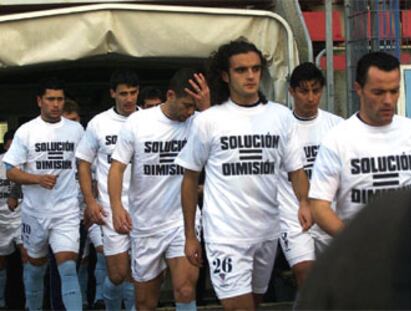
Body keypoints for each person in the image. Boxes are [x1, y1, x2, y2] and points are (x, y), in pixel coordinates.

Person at [175, 40, 310, 310]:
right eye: (241, 70)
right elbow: (189, 179)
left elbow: (296, 170)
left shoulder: (281, 117)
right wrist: (190, 234)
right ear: (225, 75)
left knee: (254, 302)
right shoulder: (208, 120)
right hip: (225, 235)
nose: (250, 76)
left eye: (256, 69)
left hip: (267, 231)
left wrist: (304, 203)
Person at [108, 68, 210, 310]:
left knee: (185, 289)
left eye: (193, 107)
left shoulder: (200, 122)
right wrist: (116, 206)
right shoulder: (138, 122)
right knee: (145, 302)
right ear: (170, 95)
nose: (189, 112)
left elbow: (225, 142)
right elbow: (117, 168)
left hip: (182, 222)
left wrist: (206, 109)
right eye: (186, 105)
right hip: (145, 224)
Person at [309, 51, 411, 237]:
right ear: (359, 89)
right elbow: (319, 206)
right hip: (362, 255)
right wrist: (353, 243)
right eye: (379, 92)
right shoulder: (338, 140)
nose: (388, 100)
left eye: (394, 91)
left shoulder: (410, 131)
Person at [2, 77, 84, 310]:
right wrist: (37, 179)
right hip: (34, 213)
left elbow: (85, 166)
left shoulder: (76, 130)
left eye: (60, 99)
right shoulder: (26, 131)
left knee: (68, 268)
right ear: (40, 101)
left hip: (66, 211)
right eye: (51, 99)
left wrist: (90, 200)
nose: (56, 104)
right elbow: (11, 172)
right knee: (35, 268)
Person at [76, 69, 139, 311]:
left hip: (145, 208)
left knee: (140, 274)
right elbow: (83, 163)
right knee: (117, 274)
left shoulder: (147, 119)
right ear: (113, 93)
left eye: (133, 93)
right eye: (123, 93)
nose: (129, 99)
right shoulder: (98, 123)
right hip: (112, 209)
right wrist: (91, 202)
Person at [277, 62, 343, 287]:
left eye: (316, 90)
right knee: (305, 275)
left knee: (337, 281)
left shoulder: (337, 127)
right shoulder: (279, 128)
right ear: (292, 91)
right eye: (304, 91)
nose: (311, 97)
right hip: (293, 215)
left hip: (329, 212)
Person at [63, 100, 106, 309]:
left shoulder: (94, 148)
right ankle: (81, 302)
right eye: (67, 120)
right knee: (78, 261)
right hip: (69, 215)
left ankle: (99, 298)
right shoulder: (58, 152)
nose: (73, 124)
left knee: (103, 252)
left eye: (75, 120)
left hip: (95, 209)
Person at [0, 129, 26, 309]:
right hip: (1, 220)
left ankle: (30, 302)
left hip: (22, 218)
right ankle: (1, 301)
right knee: (1, 265)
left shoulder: (27, 162)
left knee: (30, 259)